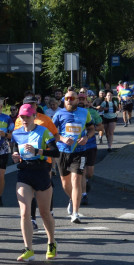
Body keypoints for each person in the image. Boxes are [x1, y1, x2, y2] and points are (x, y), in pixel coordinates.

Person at [10, 104, 59, 262]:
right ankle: (28, 248)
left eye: (27, 117)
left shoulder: (43, 131)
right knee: (24, 212)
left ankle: (51, 242)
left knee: (45, 213)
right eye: (21, 117)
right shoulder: (16, 134)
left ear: (33, 117)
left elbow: (55, 152)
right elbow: (14, 151)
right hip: (24, 172)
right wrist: (15, 156)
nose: (24, 120)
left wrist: (38, 151)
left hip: (41, 172)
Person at [51, 90, 95, 224]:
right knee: (65, 182)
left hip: (80, 151)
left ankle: (75, 213)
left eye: (72, 98)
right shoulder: (58, 114)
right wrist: (63, 138)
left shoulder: (84, 113)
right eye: (67, 98)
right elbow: (52, 133)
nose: (69, 100)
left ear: (77, 100)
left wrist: (86, 137)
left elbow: (92, 129)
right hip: (63, 151)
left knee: (76, 180)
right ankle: (72, 199)